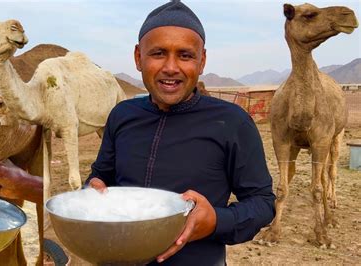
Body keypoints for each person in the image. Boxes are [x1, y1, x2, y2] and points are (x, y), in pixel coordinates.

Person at [86, 1, 276, 265]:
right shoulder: (122, 115)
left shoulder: (232, 122)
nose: (171, 67)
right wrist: (92, 188)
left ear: (202, 61)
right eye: (159, 53)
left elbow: (262, 203)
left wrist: (215, 221)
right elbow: (100, 176)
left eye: (185, 55)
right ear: (138, 57)